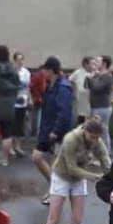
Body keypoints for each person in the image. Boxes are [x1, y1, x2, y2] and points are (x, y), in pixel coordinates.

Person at [34, 117, 111, 224]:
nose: (95, 141)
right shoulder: (71, 139)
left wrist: (111, 174)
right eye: (92, 137)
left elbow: (104, 158)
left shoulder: (97, 141)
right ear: (85, 131)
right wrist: (93, 176)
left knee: (77, 221)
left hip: (79, 179)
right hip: (62, 175)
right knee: (53, 219)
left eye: (97, 137)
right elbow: (71, 168)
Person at [32, 56, 74, 205]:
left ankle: (55, 190)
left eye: (45, 69)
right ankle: (55, 187)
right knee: (38, 158)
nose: (43, 72)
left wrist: (56, 131)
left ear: (51, 70)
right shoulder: (51, 85)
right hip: (47, 129)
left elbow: (64, 113)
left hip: (57, 132)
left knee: (54, 164)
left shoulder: (63, 87)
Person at [87, 55, 113, 153]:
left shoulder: (107, 77)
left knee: (102, 131)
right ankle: (97, 153)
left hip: (102, 107)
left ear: (104, 64)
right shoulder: (99, 76)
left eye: (98, 61)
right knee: (95, 130)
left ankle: (106, 153)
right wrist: (90, 77)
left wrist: (91, 79)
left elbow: (96, 88)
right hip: (95, 106)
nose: (95, 63)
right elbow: (87, 86)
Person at [12, 51, 31, 158]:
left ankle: (18, 146)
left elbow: (27, 87)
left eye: (22, 59)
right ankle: (10, 146)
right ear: (14, 60)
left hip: (22, 101)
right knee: (12, 124)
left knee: (20, 125)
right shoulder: (12, 72)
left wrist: (29, 99)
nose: (20, 62)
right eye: (18, 60)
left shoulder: (26, 72)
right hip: (13, 102)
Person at [70, 56, 95, 126]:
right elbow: (70, 81)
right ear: (86, 64)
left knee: (90, 124)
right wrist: (74, 92)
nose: (94, 66)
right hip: (80, 103)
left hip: (91, 103)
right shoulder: (78, 72)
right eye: (92, 64)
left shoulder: (94, 74)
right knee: (80, 123)